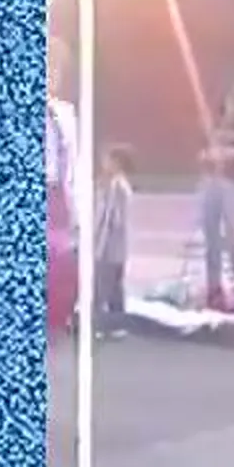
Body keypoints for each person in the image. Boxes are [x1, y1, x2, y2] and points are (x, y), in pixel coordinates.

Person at [47, 37, 81, 344]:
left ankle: (57, 315)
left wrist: (76, 207)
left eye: (56, 69)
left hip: (56, 190)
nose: (51, 75)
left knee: (60, 254)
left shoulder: (65, 113)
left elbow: (73, 160)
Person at [198, 112, 234, 311]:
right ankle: (213, 287)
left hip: (233, 187)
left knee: (232, 239)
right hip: (212, 185)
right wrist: (211, 155)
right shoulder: (213, 128)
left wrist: (220, 154)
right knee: (211, 239)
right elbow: (203, 155)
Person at [93, 143, 135, 336]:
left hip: (109, 246)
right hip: (117, 247)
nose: (104, 163)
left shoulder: (116, 187)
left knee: (104, 286)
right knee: (115, 287)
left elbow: (112, 218)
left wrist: (97, 244)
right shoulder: (116, 185)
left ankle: (102, 325)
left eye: (108, 160)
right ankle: (117, 325)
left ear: (117, 163)